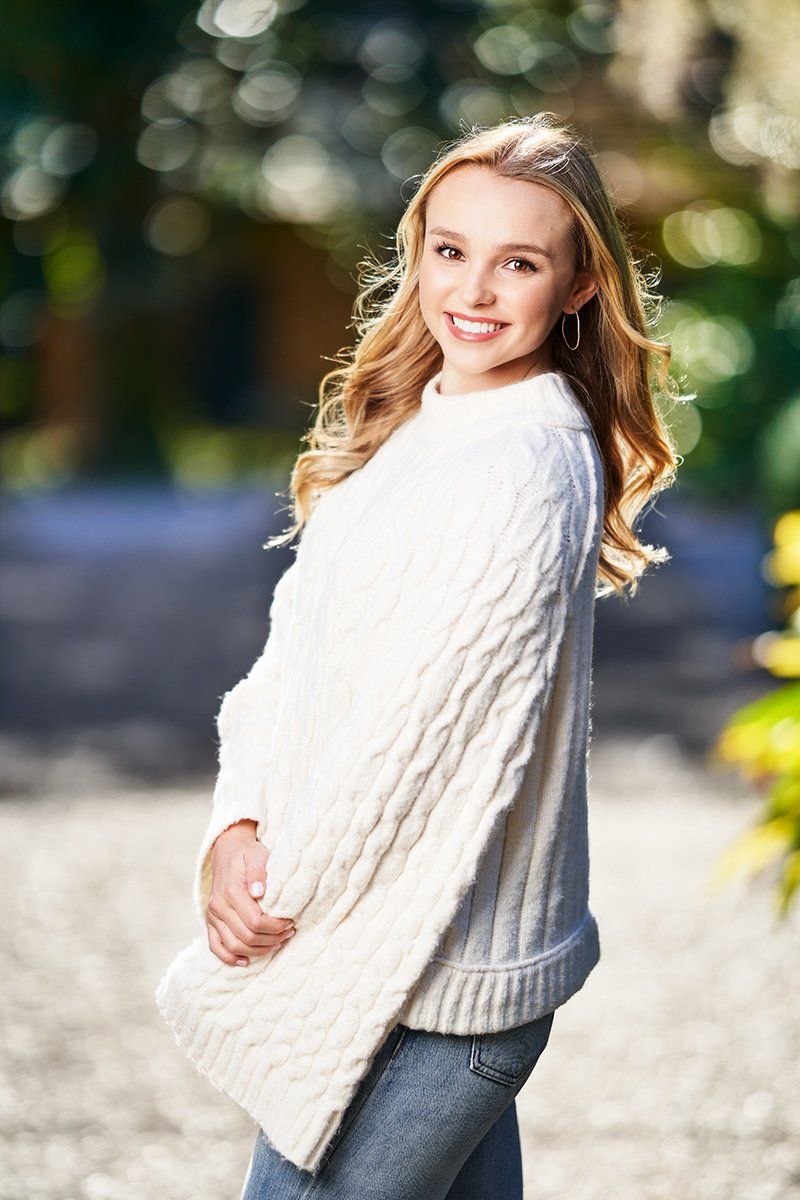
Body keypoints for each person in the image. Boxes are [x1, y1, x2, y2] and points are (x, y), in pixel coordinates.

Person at [155, 112, 681, 1199]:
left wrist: (273, 903)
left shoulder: (528, 466)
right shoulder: (422, 425)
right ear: (418, 253)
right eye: (450, 251)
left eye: (518, 262)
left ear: (577, 287)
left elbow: (408, 750)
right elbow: (292, 654)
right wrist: (234, 823)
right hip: (386, 955)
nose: (474, 292)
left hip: (436, 998)